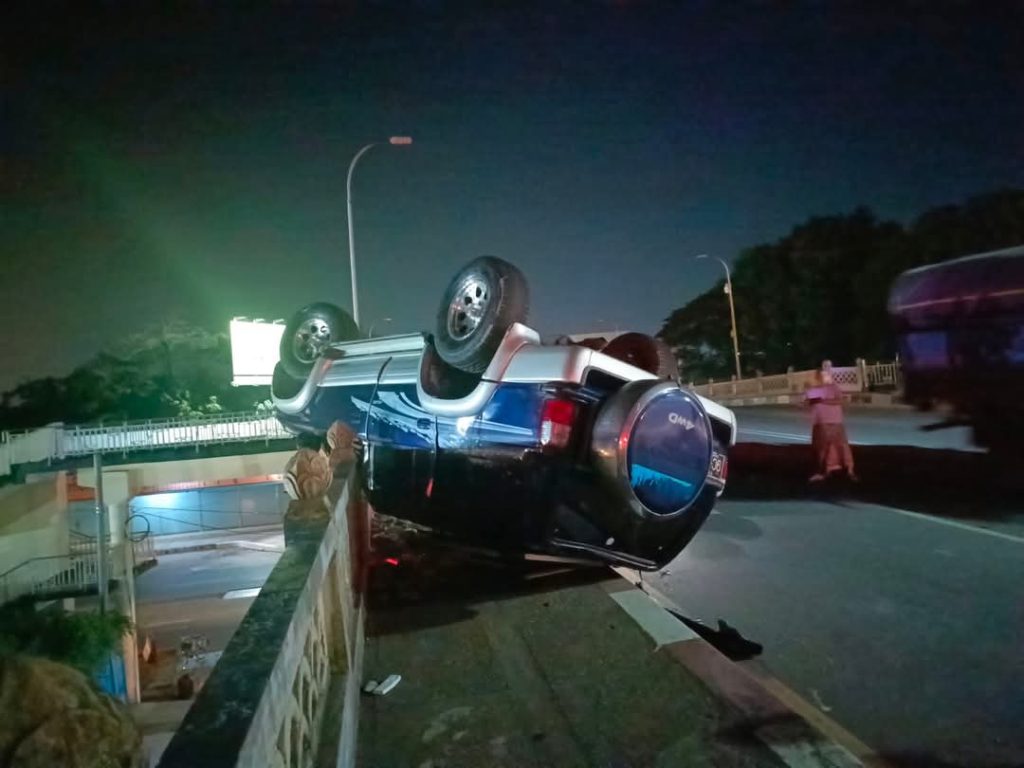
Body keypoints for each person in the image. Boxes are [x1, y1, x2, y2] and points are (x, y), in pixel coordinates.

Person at [805, 366, 857, 482]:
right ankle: (824, 471)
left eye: (826, 375)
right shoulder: (813, 390)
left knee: (841, 446)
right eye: (821, 376)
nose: (825, 377)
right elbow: (807, 403)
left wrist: (822, 401)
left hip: (836, 421)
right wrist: (810, 401)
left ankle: (849, 470)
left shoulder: (834, 388)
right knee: (821, 447)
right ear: (817, 378)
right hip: (820, 422)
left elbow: (840, 401)